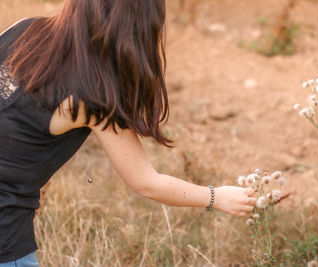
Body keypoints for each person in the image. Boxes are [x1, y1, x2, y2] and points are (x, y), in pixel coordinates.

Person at [0, 0, 257, 266]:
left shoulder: (24, 29)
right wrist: (217, 197)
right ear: (136, 28)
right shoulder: (92, 96)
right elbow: (146, 182)